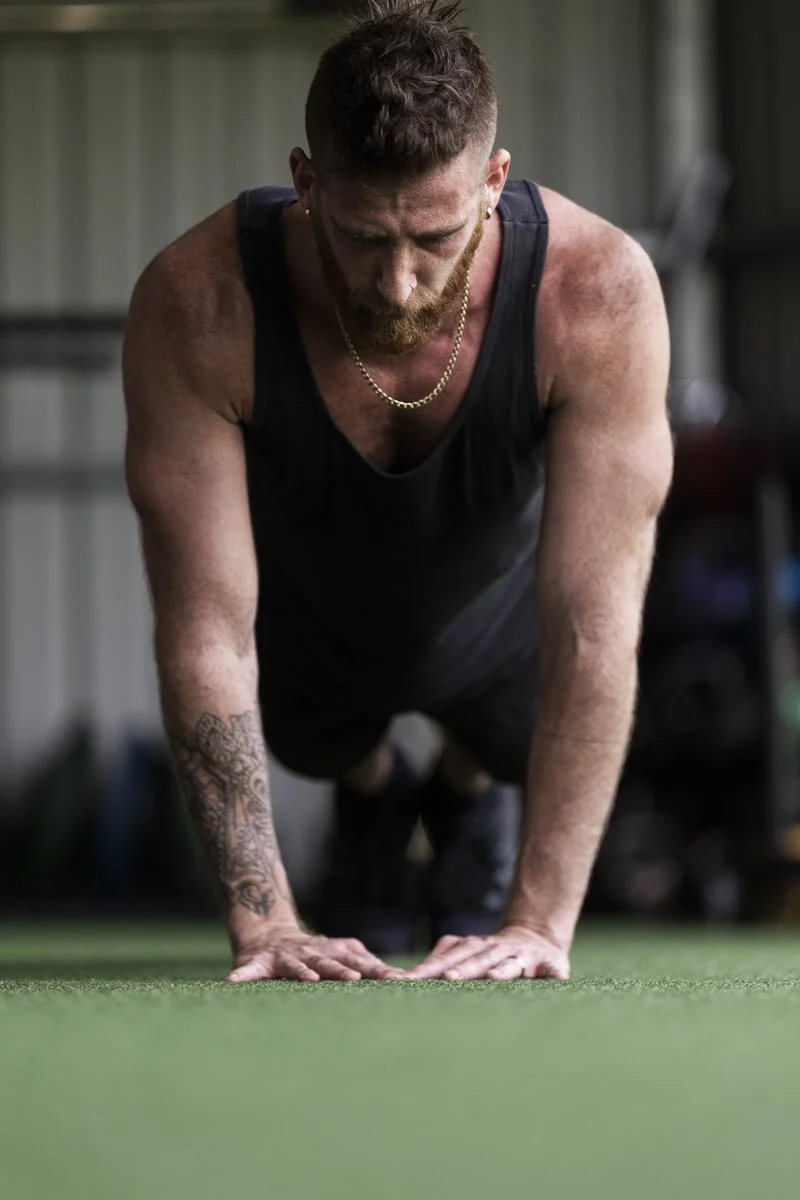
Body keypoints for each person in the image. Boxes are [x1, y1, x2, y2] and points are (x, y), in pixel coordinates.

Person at [122, 0, 672, 984]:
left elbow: (594, 629)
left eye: (434, 235)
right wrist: (266, 926)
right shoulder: (199, 303)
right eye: (363, 237)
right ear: (304, 182)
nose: (400, 283)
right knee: (318, 742)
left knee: (511, 732)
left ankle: (460, 794)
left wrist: (538, 925)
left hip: (502, 643)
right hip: (311, 649)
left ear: (494, 180)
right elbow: (206, 634)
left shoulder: (597, 294)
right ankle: (377, 795)